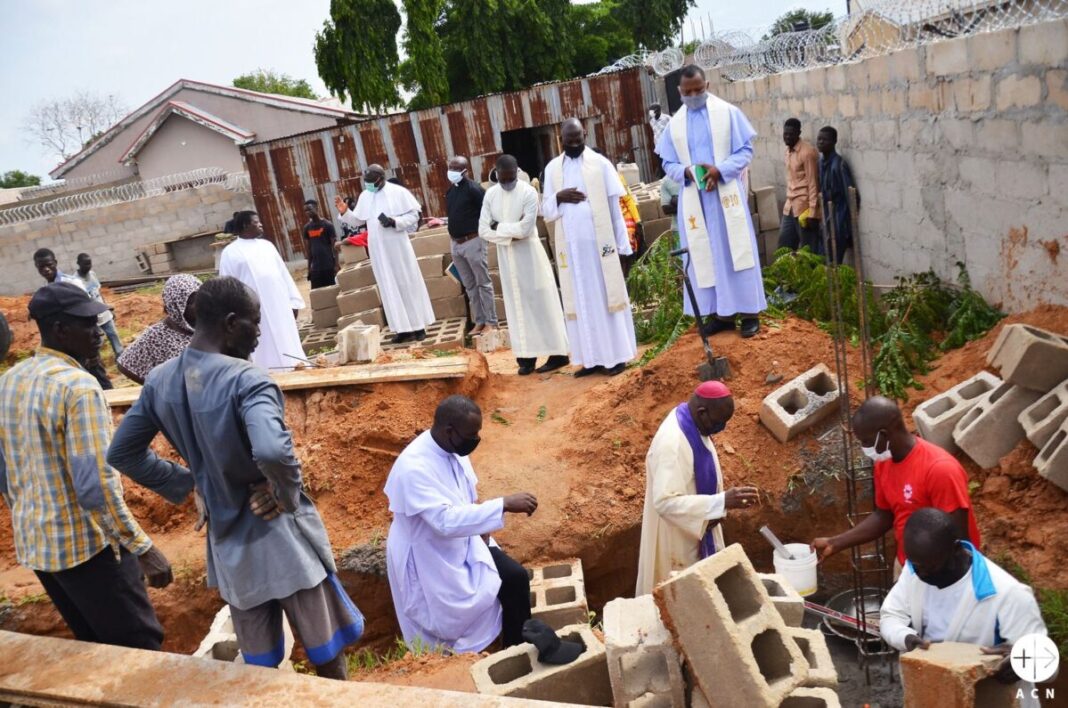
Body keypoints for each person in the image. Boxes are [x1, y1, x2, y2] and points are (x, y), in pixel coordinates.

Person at [107, 277, 363, 678]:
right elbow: (272, 451)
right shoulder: (248, 379)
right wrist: (283, 493)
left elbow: (123, 453)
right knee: (326, 650)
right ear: (230, 323)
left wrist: (191, 483)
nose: (259, 333)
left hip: (229, 546)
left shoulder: (160, 380)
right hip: (281, 538)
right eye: (254, 322)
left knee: (259, 665)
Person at [0, 282, 178, 650]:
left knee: (94, 646)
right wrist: (143, 548)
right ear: (60, 330)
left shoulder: (9, 382)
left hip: (40, 549)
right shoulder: (79, 388)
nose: (98, 332)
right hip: (86, 551)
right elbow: (94, 486)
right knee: (139, 647)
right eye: (87, 324)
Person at [384, 395, 537, 652]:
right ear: (449, 430)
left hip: (464, 539)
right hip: (429, 556)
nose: (475, 439)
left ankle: (517, 651)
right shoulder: (413, 468)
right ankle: (454, 664)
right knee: (444, 627)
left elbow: (466, 496)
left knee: (515, 578)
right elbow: (443, 521)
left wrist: (482, 528)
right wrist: (503, 504)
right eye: (471, 434)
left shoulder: (453, 449)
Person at [881, 508, 1048, 707]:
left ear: (955, 549)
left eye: (930, 567)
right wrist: (906, 638)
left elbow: (1047, 664)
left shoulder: (1008, 593)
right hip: (937, 696)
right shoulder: (914, 570)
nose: (922, 574)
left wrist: (1022, 662)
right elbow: (891, 616)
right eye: (917, 566)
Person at [811, 397, 982, 577]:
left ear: (884, 434)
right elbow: (884, 515)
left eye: (866, 441)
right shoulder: (883, 463)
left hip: (943, 572)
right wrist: (835, 542)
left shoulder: (940, 470)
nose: (863, 448)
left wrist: (944, 581)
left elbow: (959, 539)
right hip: (907, 566)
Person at [656, 65, 767, 339]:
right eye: (688, 92)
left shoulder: (728, 113)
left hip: (725, 196)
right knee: (706, 255)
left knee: (735, 252)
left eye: (698, 90)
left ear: (707, 85)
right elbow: (667, 162)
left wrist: (721, 170)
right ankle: (721, 315)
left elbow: (745, 151)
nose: (694, 96)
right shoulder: (675, 125)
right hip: (695, 200)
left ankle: (749, 313)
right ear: (680, 92)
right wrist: (686, 172)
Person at [635, 381, 760, 595]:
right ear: (703, 412)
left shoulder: (695, 422)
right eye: (719, 422)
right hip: (676, 539)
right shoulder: (673, 442)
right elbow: (665, 503)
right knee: (680, 599)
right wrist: (721, 502)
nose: (721, 428)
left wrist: (717, 507)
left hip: (698, 525)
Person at [541, 118, 637, 377]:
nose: (574, 144)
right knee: (581, 302)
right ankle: (590, 359)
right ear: (561, 139)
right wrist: (559, 196)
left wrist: (623, 246)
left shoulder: (600, 164)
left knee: (605, 300)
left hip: (599, 250)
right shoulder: (553, 169)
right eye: (569, 140)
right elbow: (546, 211)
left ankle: (615, 357)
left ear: (585, 134)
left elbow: (615, 208)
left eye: (578, 139)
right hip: (571, 252)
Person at [479, 154, 570, 376]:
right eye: (503, 178)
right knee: (516, 307)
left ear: (516, 172)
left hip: (530, 256)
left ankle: (557, 354)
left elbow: (526, 229)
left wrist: (499, 227)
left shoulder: (528, 192)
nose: (507, 182)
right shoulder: (490, 194)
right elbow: (483, 230)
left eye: (511, 178)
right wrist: (510, 233)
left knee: (541, 304)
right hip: (507, 258)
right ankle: (526, 358)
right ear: (496, 174)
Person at [335, 165, 435, 343]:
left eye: (372, 182)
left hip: (397, 247)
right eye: (366, 182)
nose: (369, 186)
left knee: (407, 283)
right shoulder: (365, 195)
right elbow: (358, 221)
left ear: (381, 179)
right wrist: (345, 212)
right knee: (388, 287)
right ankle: (401, 329)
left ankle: (419, 327)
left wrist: (394, 221)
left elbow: (414, 215)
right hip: (378, 251)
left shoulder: (398, 192)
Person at [218, 211, 305, 371]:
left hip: (279, 306)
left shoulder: (267, 246)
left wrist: (294, 301)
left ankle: (297, 369)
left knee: (287, 339)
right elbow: (227, 285)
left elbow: (283, 273)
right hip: (252, 312)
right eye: (256, 222)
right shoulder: (230, 253)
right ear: (245, 225)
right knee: (263, 346)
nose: (261, 225)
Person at [33, 248, 112, 390]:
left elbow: (88, 311)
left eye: (49, 265)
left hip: (83, 340)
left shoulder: (72, 283)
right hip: (67, 346)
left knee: (98, 376)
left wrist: (92, 335)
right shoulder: (46, 290)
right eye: (41, 267)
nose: (46, 269)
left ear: (55, 262)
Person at [116, 274, 201, 385]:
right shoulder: (157, 334)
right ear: (175, 306)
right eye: (190, 302)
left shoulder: (208, 324)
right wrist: (157, 387)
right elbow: (125, 364)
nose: (198, 305)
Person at [446, 156, 497, 336]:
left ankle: (491, 322)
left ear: (464, 171)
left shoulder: (474, 189)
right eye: (450, 167)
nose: (451, 171)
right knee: (470, 286)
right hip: (456, 243)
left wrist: (487, 233)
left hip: (473, 241)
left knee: (483, 283)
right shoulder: (451, 191)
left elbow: (489, 212)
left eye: (456, 168)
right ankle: (479, 321)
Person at [816, 126, 861, 264]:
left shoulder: (839, 165)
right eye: (819, 139)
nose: (820, 142)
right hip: (826, 215)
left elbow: (852, 197)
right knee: (823, 256)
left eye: (825, 140)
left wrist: (849, 227)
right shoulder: (820, 163)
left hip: (838, 217)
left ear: (834, 142)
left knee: (834, 259)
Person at [778, 117, 821, 254]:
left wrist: (813, 213)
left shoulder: (807, 152)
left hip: (804, 208)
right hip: (789, 206)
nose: (787, 137)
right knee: (784, 247)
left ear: (799, 133)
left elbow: (813, 183)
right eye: (785, 134)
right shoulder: (788, 151)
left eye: (791, 134)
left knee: (808, 251)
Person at [74, 253, 123, 357]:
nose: (88, 266)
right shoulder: (75, 281)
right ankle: (97, 361)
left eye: (89, 264)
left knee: (114, 335)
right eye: (85, 264)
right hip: (91, 318)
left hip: (104, 314)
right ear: (78, 263)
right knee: (97, 342)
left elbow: (99, 293)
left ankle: (121, 358)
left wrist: (107, 308)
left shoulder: (92, 274)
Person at [302, 200, 338, 289]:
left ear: (317, 208)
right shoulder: (307, 228)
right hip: (315, 269)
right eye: (305, 211)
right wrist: (309, 268)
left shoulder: (328, 225)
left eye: (309, 209)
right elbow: (308, 250)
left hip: (328, 266)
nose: (307, 212)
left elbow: (334, 247)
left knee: (332, 291)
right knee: (317, 294)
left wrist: (336, 265)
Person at [660, 175, 680, 240]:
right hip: (678, 229)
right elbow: (665, 209)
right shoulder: (666, 180)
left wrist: (678, 202)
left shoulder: (696, 175)